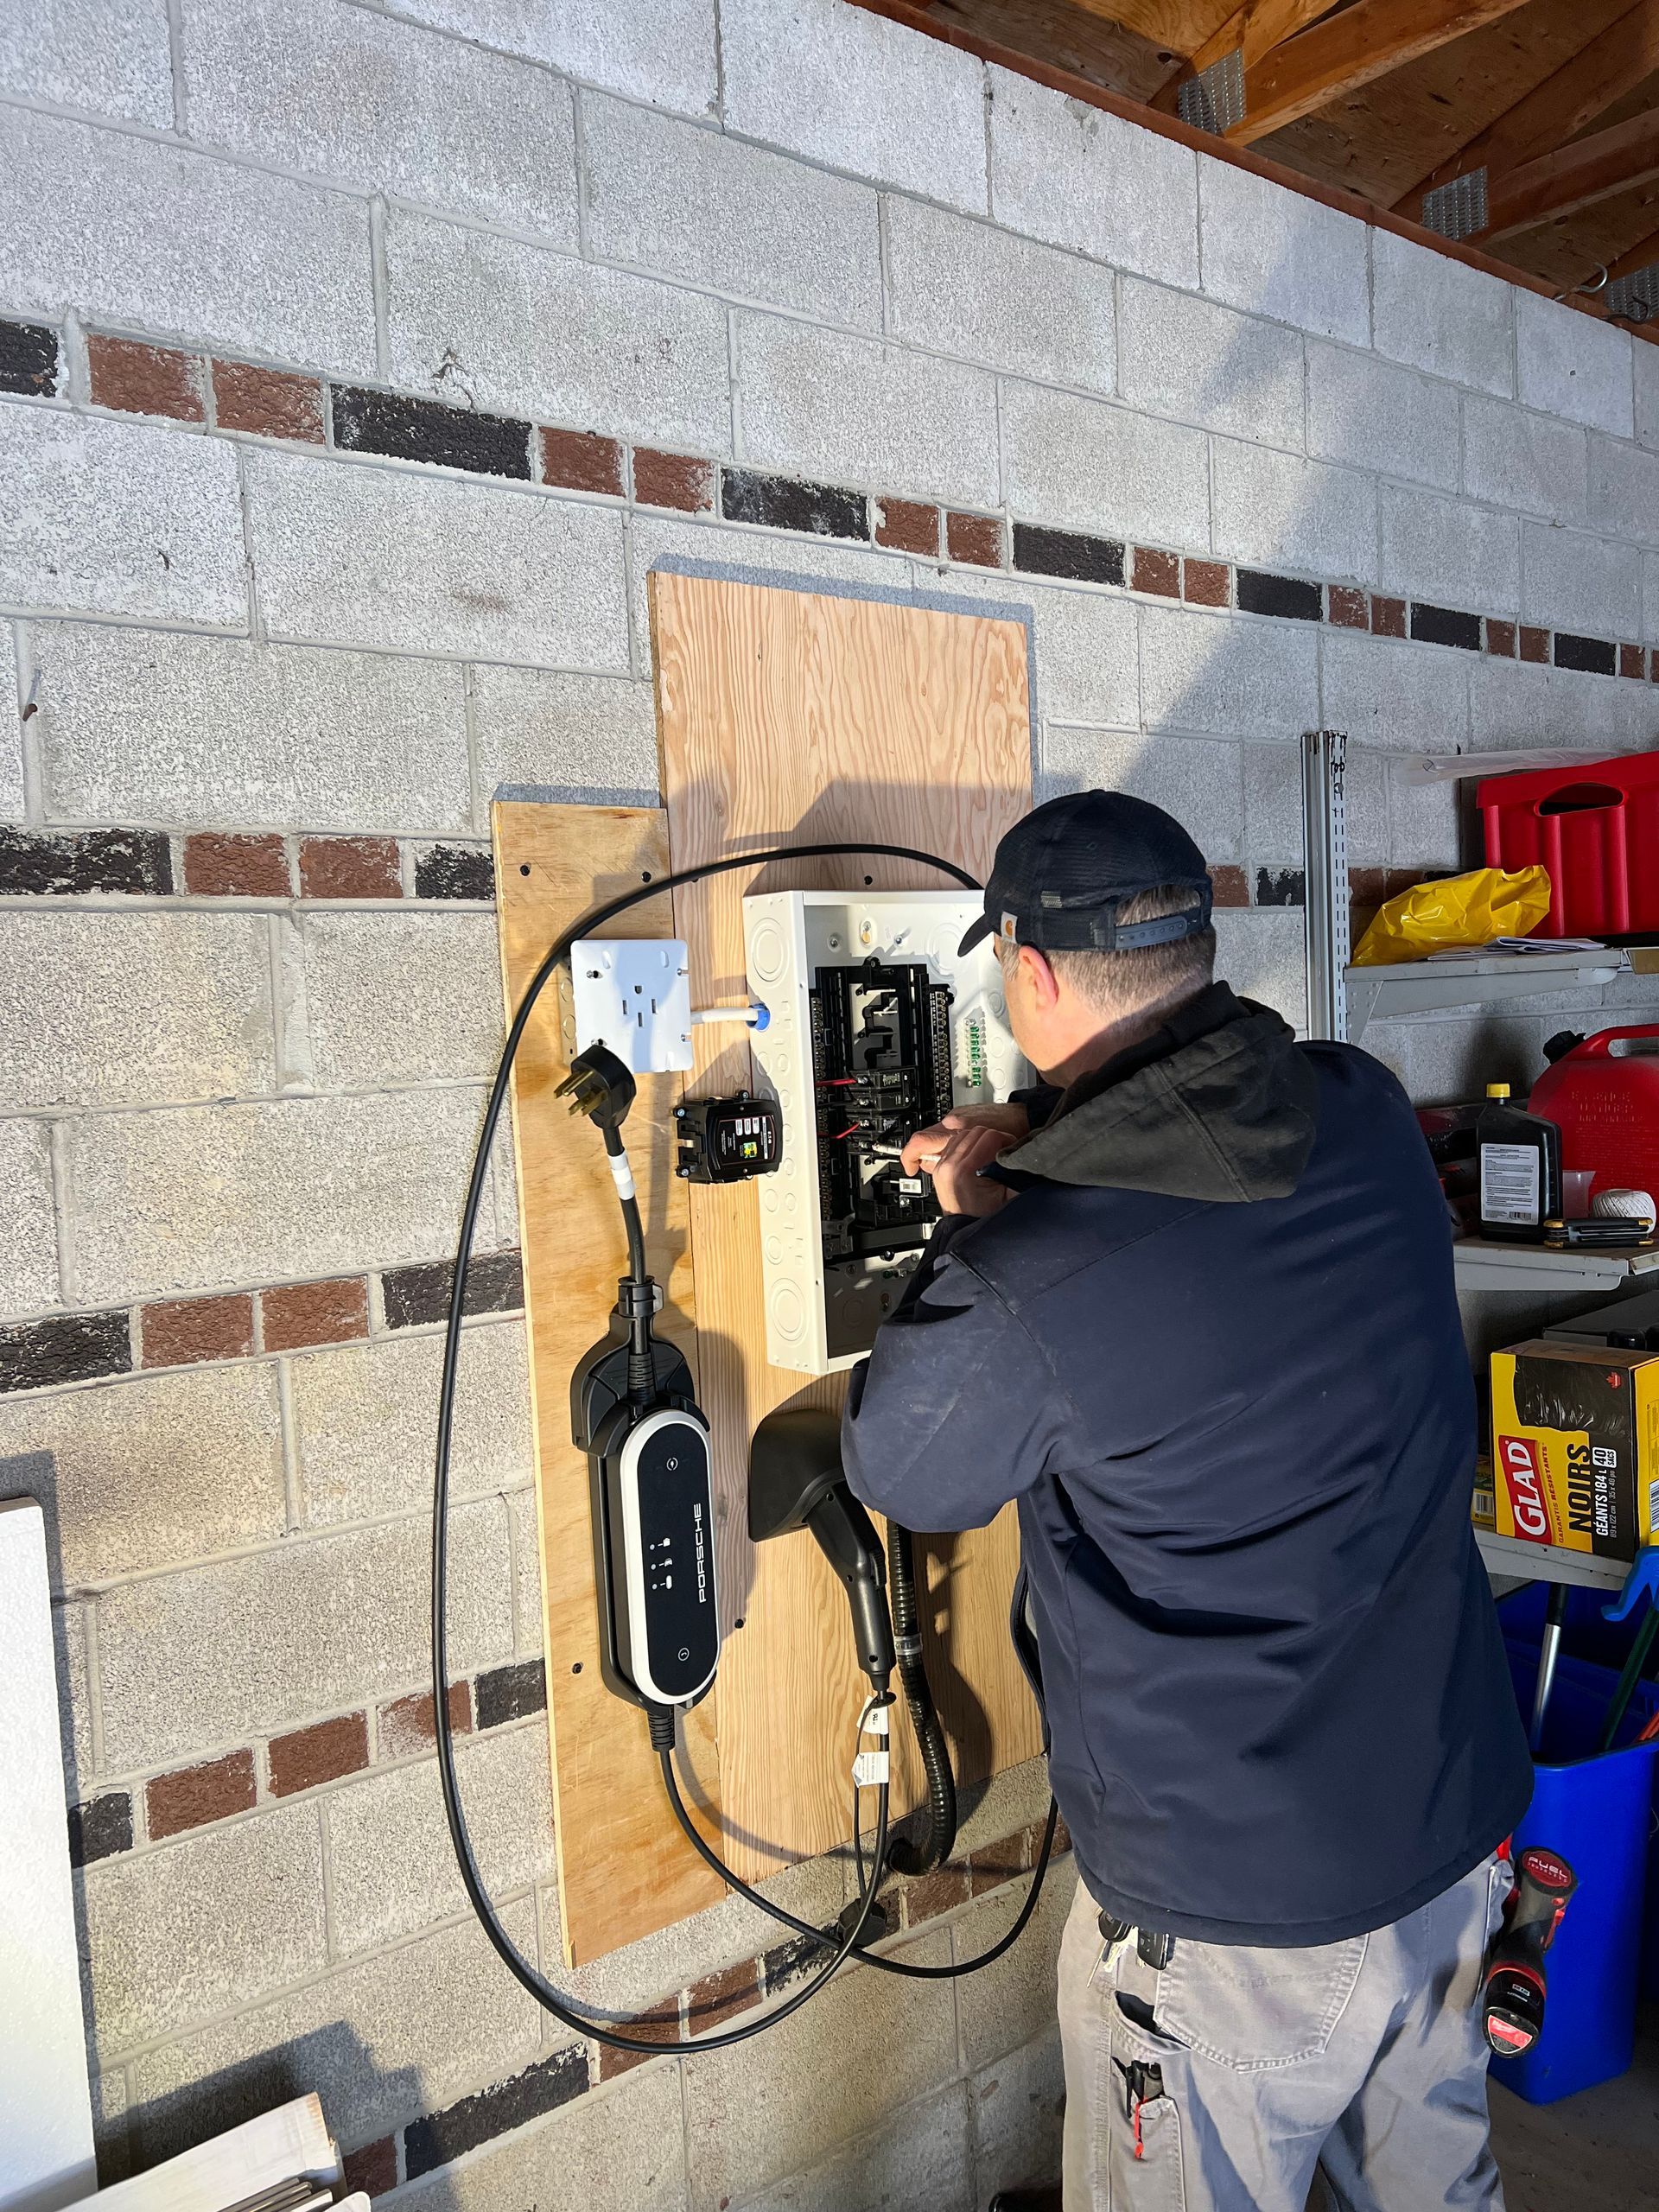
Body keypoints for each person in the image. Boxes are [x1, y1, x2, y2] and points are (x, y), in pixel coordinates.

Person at [840, 789, 1532, 2212]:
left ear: (1026, 974)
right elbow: (1205, 1134)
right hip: (1443, 1824)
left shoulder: (1034, 1278)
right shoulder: (1363, 1112)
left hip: (1235, 1923)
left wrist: (983, 1227)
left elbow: (903, 1470)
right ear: (1196, 951)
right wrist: (1035, 1142)